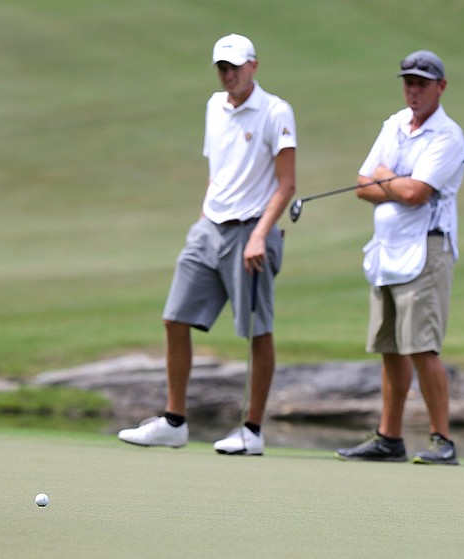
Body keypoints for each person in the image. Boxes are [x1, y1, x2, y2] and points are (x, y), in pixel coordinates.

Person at [117, 33, 296, 455]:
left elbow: (286, 184)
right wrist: (202, 222)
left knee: (257, 330)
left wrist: (258, 235)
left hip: (252, 230)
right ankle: (174, 421)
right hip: (209, 227)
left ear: (254, 65)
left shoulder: (275, 111)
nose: (228, 74)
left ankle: (251, 430)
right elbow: (218, 172)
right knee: (173, 318)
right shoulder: (214, 107)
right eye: (222, 67)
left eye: (234, 66)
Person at [334, 50, 464, 465]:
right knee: (391, 347)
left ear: (440, 87)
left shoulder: (448, 136)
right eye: (408, 81)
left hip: (426, 249)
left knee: (421, 348)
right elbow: (361, 185)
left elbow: (416, 194)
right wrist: (394, 181)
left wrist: (385, 178)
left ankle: (442, 439)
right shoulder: (393, 125)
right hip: (387, 250)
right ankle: (389, 438)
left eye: (421, 83)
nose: (413, 89)